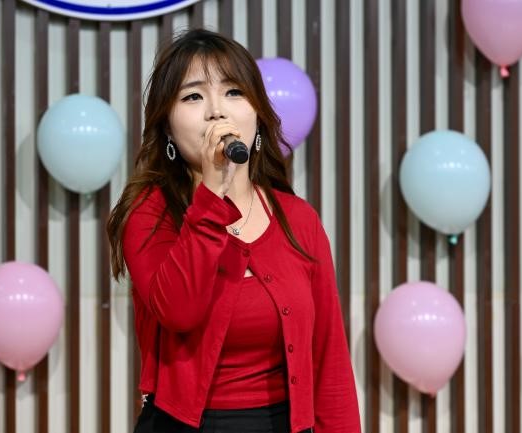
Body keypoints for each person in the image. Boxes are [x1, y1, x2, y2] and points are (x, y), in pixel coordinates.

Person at [107, 28, 360, 433]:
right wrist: (211, 193)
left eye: (233, 92)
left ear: (257, 114)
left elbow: (330, 362)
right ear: (167, 128)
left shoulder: (298, 219)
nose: (216, 111)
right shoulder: (150, 214)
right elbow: (179, 311)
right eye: (193, 96)